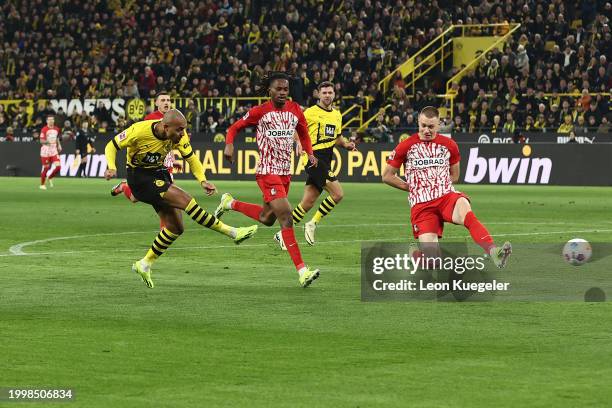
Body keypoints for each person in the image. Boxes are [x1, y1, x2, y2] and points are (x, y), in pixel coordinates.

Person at [104, 109, 258, 288]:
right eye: (179, 130)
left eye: (184, 129)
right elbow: (111, 145)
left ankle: (144, 264)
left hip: (159, 173)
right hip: (139, 178)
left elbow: (192, 159)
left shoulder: (179, 136)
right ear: (165, 126)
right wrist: (111, 166)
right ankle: (233, 233)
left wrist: (203, 180)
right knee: (186, 200)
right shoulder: (139, 131)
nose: (182, 134)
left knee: (175, 227)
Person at [213, 72, 321, 288]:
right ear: (269, 91)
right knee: (286, 217)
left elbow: (304, 133)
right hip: (267, 171)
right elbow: (234, 128)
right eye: (278, 89)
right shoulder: (259, 112)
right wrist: (229, 144)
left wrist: (308, 153)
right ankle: (302, 271)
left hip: (285, 173)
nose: (282, 92)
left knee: (266, 218)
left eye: (285, 89)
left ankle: (229, 203)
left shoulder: (295, 110)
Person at [382, 106, 512, 268]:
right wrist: (411, 187)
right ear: (418, 123)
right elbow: (387, 175)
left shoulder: (449, 145)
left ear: (438, 125)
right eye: (423, 126)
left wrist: (437, 183)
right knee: (434, 263)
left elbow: (455, 176)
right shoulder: (406, 146)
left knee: (466, 212)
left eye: (431, 126)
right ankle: (416, 255)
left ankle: (494, 252)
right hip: (422, 206)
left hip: (446, 197)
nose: (426, 130)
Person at [273, 81, 356, 249]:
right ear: (318, 94)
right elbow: (295, 127)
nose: (327, 95)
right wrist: (297, 142)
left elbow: (337, 137)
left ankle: (282, 234)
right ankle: (312, 224)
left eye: (330, 92)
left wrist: (346, 145)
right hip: (313, 158)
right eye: (324, 92)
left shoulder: (337, 115)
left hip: (326, 159)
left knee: (307, 202)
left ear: (334, 94)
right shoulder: (310, 112)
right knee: (338, 194)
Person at [39, 116, 62, 190]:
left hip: (54, 150)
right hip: (46, 151)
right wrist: (48, 142)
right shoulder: (44, 129)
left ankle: (50, 177)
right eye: (49, 120)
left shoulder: (57, 129)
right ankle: (42, 184)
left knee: (58, 167)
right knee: (46, 168)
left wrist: (59, 145)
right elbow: (41, 141)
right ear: (46, 121)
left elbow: (57, 137)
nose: (51, 121)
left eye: (52, 119)